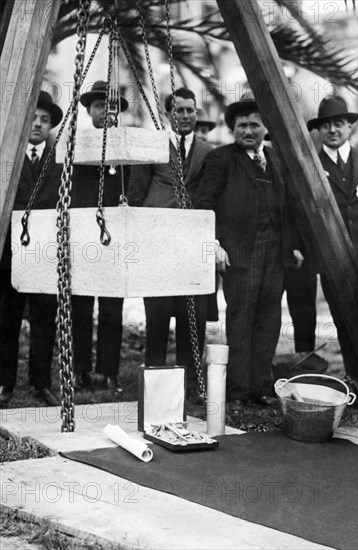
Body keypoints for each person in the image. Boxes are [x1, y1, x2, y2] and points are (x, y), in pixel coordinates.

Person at [197, 95, 302, 406]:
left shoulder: (277, 159)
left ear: (264, 127)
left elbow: (290, 207)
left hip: (275, 256)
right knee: (241, 322)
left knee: (269, 322)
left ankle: (260, 387)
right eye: (241, 125)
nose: (248, 130)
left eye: (254, 124)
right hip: (240, 256)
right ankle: (239, 391)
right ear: (232, 128)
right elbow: (204, 205)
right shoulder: (220, 160)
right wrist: (213, 245)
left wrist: (293, 245)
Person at [127, 87, 212, 401]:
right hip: (157, 242)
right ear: (168, 113)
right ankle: (154, 385)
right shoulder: (152, 146)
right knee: (158, 315)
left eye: (191, 110)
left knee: (194, 315)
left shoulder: (207, 151)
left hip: (192, 245)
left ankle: (191, 386)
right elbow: (136, 194)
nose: (186, 116)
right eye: (179, 110)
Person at [0, 91, 63, 406]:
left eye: (44, 120)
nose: (37, 124)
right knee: (6, 318)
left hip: (44, 253)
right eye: (33, 118)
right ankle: (4, 383)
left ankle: (41, 384)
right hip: (9, 252)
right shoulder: (7, 154)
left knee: (44, 318)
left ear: (51, 125)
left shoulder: (59, 158)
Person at [70, 80, 129, 393]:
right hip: (82, 235)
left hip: (116, 237)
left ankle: (107, 371)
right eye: (98, 105)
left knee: (111, 308)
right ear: (89, 110)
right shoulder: (76, 143)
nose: (106, 111)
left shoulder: (127, 145)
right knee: (80, 307)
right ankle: (79, 370)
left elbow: (136, 186)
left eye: (111, 105)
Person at [307, 95, 358, 391]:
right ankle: (357, 381)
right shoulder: (311, 167)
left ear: (349, 126)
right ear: (319, 131)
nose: (332, 130)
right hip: (332, 259)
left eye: (338, 123)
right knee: (344, 320)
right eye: (326, 125)